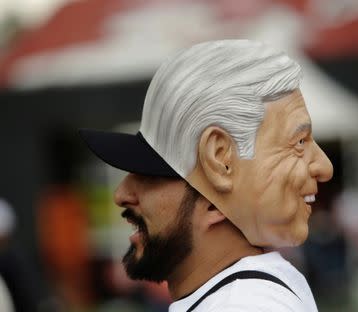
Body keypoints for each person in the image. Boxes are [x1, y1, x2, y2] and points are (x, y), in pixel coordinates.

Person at [80, 40, 333, 311]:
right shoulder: (241, 297)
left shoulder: (244, 305)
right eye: (300, 143)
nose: (122, 194)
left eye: (149, 174)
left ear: (217, 179)